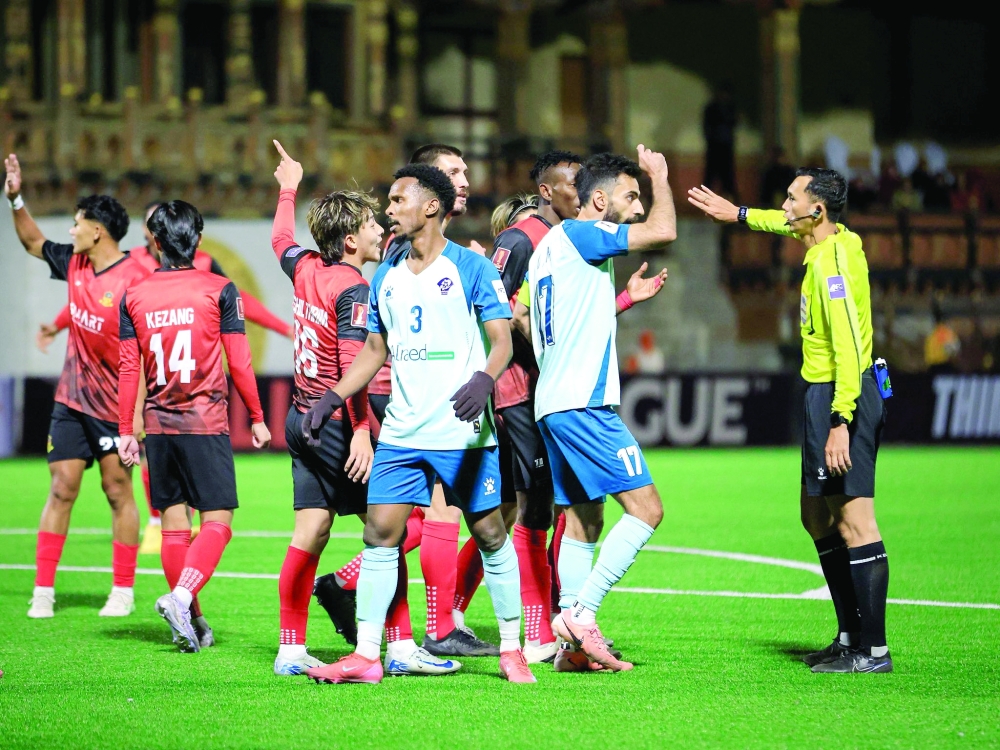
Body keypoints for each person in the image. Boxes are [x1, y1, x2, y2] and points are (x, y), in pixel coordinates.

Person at [302, 163, 534, 684]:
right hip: (403, 433)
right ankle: (367, 655)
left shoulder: (472, 269)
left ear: (431, 206)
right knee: (379, 535)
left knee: (490, 533)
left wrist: (484, 379)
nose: (388, 210)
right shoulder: (385, 275)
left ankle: (511, 649)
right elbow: (375, 349)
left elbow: (501, 340)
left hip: (462, 433)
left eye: (397, 200)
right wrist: (333, 396)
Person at [688, 170, 892, 673]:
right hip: (822, 393)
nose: (783, 206)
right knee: (816, 516)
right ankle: (849, 636)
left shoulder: (834, 264)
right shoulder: (823, 243)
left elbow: (849, 347)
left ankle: (873, 651)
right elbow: (782, 224)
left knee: (856, 522)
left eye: (791, 199)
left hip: (843, 394)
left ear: (816, 211)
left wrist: (841, 419)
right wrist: (738, 214)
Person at [269, 141, 458, 677]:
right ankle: (399, 647)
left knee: (310, 532)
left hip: (301, 418)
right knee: (393, 527)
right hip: (337, 425)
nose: (382, 229)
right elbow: (352, 367)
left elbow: (280, 238)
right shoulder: (354, 289)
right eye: (373, 224)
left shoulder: (305, 266)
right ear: (351, 240)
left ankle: (290, 650)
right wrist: (359, 432)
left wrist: (288, 187)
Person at [37, 200, 292, 557]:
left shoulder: (147, 277)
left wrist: (281, 327)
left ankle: (162, 530)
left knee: (164, 493)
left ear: (155, 236)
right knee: (209, 513)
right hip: (183, 400)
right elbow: (92, 300)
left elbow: (241, 301)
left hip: (154, 394)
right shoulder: (136, 266)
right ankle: (158, 529)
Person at [527, 147, 676, 672]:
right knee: (647, 509)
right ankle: (581, 615)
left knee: (584, 517)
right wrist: (658, 176)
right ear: (597, 201)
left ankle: (571, 644)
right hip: (583, 404)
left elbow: (554, 319)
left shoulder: (549, 249)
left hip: (554, 402)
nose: (638, 207)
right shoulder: (583, 234)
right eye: (629, 197)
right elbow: (663, 231)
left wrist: (624, 300)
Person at [117, 200, 271, 653]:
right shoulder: (219, 289)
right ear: (199, 240)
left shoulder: (134, 295)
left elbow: (130, 368)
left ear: (156, 242)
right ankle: (182, 599)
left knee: (173, 526)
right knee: (218, 521)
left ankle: (194, 620)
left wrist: (126, 429)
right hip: (204, 422)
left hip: (158, 426)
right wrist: (258, 417)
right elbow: (238, 361)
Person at [6, 153, 149, 620]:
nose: (70, 230)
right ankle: (43, 590)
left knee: (117, 490)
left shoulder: (136, 281)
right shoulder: (74, 263)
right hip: (71, 400)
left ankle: (122, 590)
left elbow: (145, 354)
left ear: (98, 231)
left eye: (77, 223)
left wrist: (137, 414)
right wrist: (15, 199)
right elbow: (32, 241)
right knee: (62, 487)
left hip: (115, 407)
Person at [702, 83, 737, 197]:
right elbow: (707, 127)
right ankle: (703, 199)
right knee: (710, 175)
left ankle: (730, 199)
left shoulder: (730, 107)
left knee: (728, 176)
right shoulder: (712, 108)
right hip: (714, 146)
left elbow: (733, 122)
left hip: (726, 146)